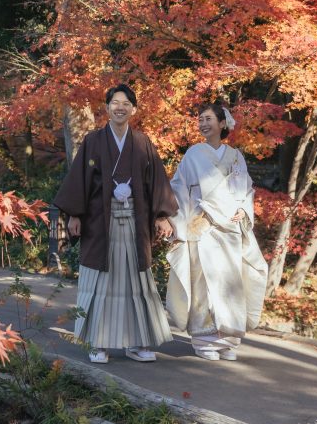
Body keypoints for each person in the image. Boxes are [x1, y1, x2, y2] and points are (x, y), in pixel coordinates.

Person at [53, 84, 178, 364]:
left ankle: (137, 342)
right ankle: (98, 343)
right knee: (102, 283)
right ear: (107, 108)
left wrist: (161, 215)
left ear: (134, 109)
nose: (120, 107)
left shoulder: (143, 141)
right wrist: (75, 214)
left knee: (136, 282)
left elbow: (155, 180)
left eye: (126, 103)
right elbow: (79, 181)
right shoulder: (93, 140)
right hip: (101, 223)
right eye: (114, 102)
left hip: (135, 222)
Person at [166, 103, 267, 361]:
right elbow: (178, 187)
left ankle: (228, 341)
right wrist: (179, 222)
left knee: (230, 283)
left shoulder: (235, 156)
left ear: (223, 124)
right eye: (200, 119)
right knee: (203, 282)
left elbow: (246, 190)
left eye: (208, 119)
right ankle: (204, 340)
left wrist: (244, 209)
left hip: (230, 229)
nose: (203, 124)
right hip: (203, 226)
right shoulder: (192, 154)